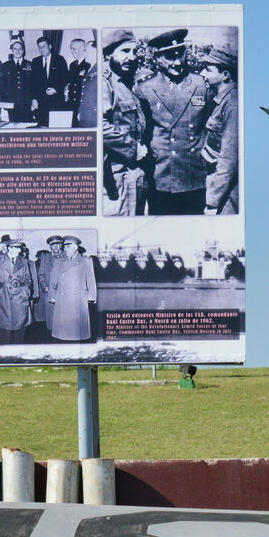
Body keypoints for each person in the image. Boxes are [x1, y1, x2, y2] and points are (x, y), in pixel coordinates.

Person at [135, 29, 210, 215]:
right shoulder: (145, 88)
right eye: (170, 57)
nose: (177, 62)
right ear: (158, 59)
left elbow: (212, 126)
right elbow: (142, 132)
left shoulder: (201, 84)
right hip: (162, 175)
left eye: (180, 55)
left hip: (194, 174)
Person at [101, 29, 149, 215]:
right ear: (108, 54)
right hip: (115, 176)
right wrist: (134, 148)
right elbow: (100, 127)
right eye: (125, 51)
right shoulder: (104, 82)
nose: (131, 57)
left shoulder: (127, 81)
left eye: (134, 51)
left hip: (133, 173)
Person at [198, 44, 239, 215]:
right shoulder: (221, 100)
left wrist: (212, 202)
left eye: (208, 70)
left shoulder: (232, 105)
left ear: (225, 75)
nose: (202, 74)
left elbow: (229, 159)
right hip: (217, 182)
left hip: (226, 191)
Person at [48, 235, 97, 342]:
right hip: (62, 299)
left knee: (78, 332)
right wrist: (52, 296)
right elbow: (53, 281)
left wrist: (91, 297)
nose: (65, 249)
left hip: (79, 299)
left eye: (68, 246)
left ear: (75, 247)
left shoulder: (86, 261)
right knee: (63, 334)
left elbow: (91, 280)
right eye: (65, 247)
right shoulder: (58, 261)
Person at [0, 239, 38, 343]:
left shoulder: (23, 261)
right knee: (5, 331)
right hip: (5, 298)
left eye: (19, 248)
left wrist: (26, 291)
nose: (19, 250)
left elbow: (28, 278)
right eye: (16, 248)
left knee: (20, 329)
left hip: (21, 297)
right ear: (9, 248)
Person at [30, 36, 68, 126]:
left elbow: (65, 78)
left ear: (50, 46)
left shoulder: (60, 59)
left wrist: (56, 89)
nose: (41, 49)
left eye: (44, 46)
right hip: (41, 102)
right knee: (42, 126)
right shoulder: (35, 61)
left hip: (56, 101)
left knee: (56, 126)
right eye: (39, 47)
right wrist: (33, 98)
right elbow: (32, 82)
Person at [1, 40, 32, 124]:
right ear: (12, 51)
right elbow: (2, 86)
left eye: (20, 49)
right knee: (13, 125)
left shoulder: (30, 64)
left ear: (23, 50)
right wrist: (4, 102)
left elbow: (34, 85)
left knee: (27, 126)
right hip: (11, 103)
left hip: (26, 103)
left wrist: (33, 100)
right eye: (15, 49)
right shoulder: (5, 66)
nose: (17, 51)